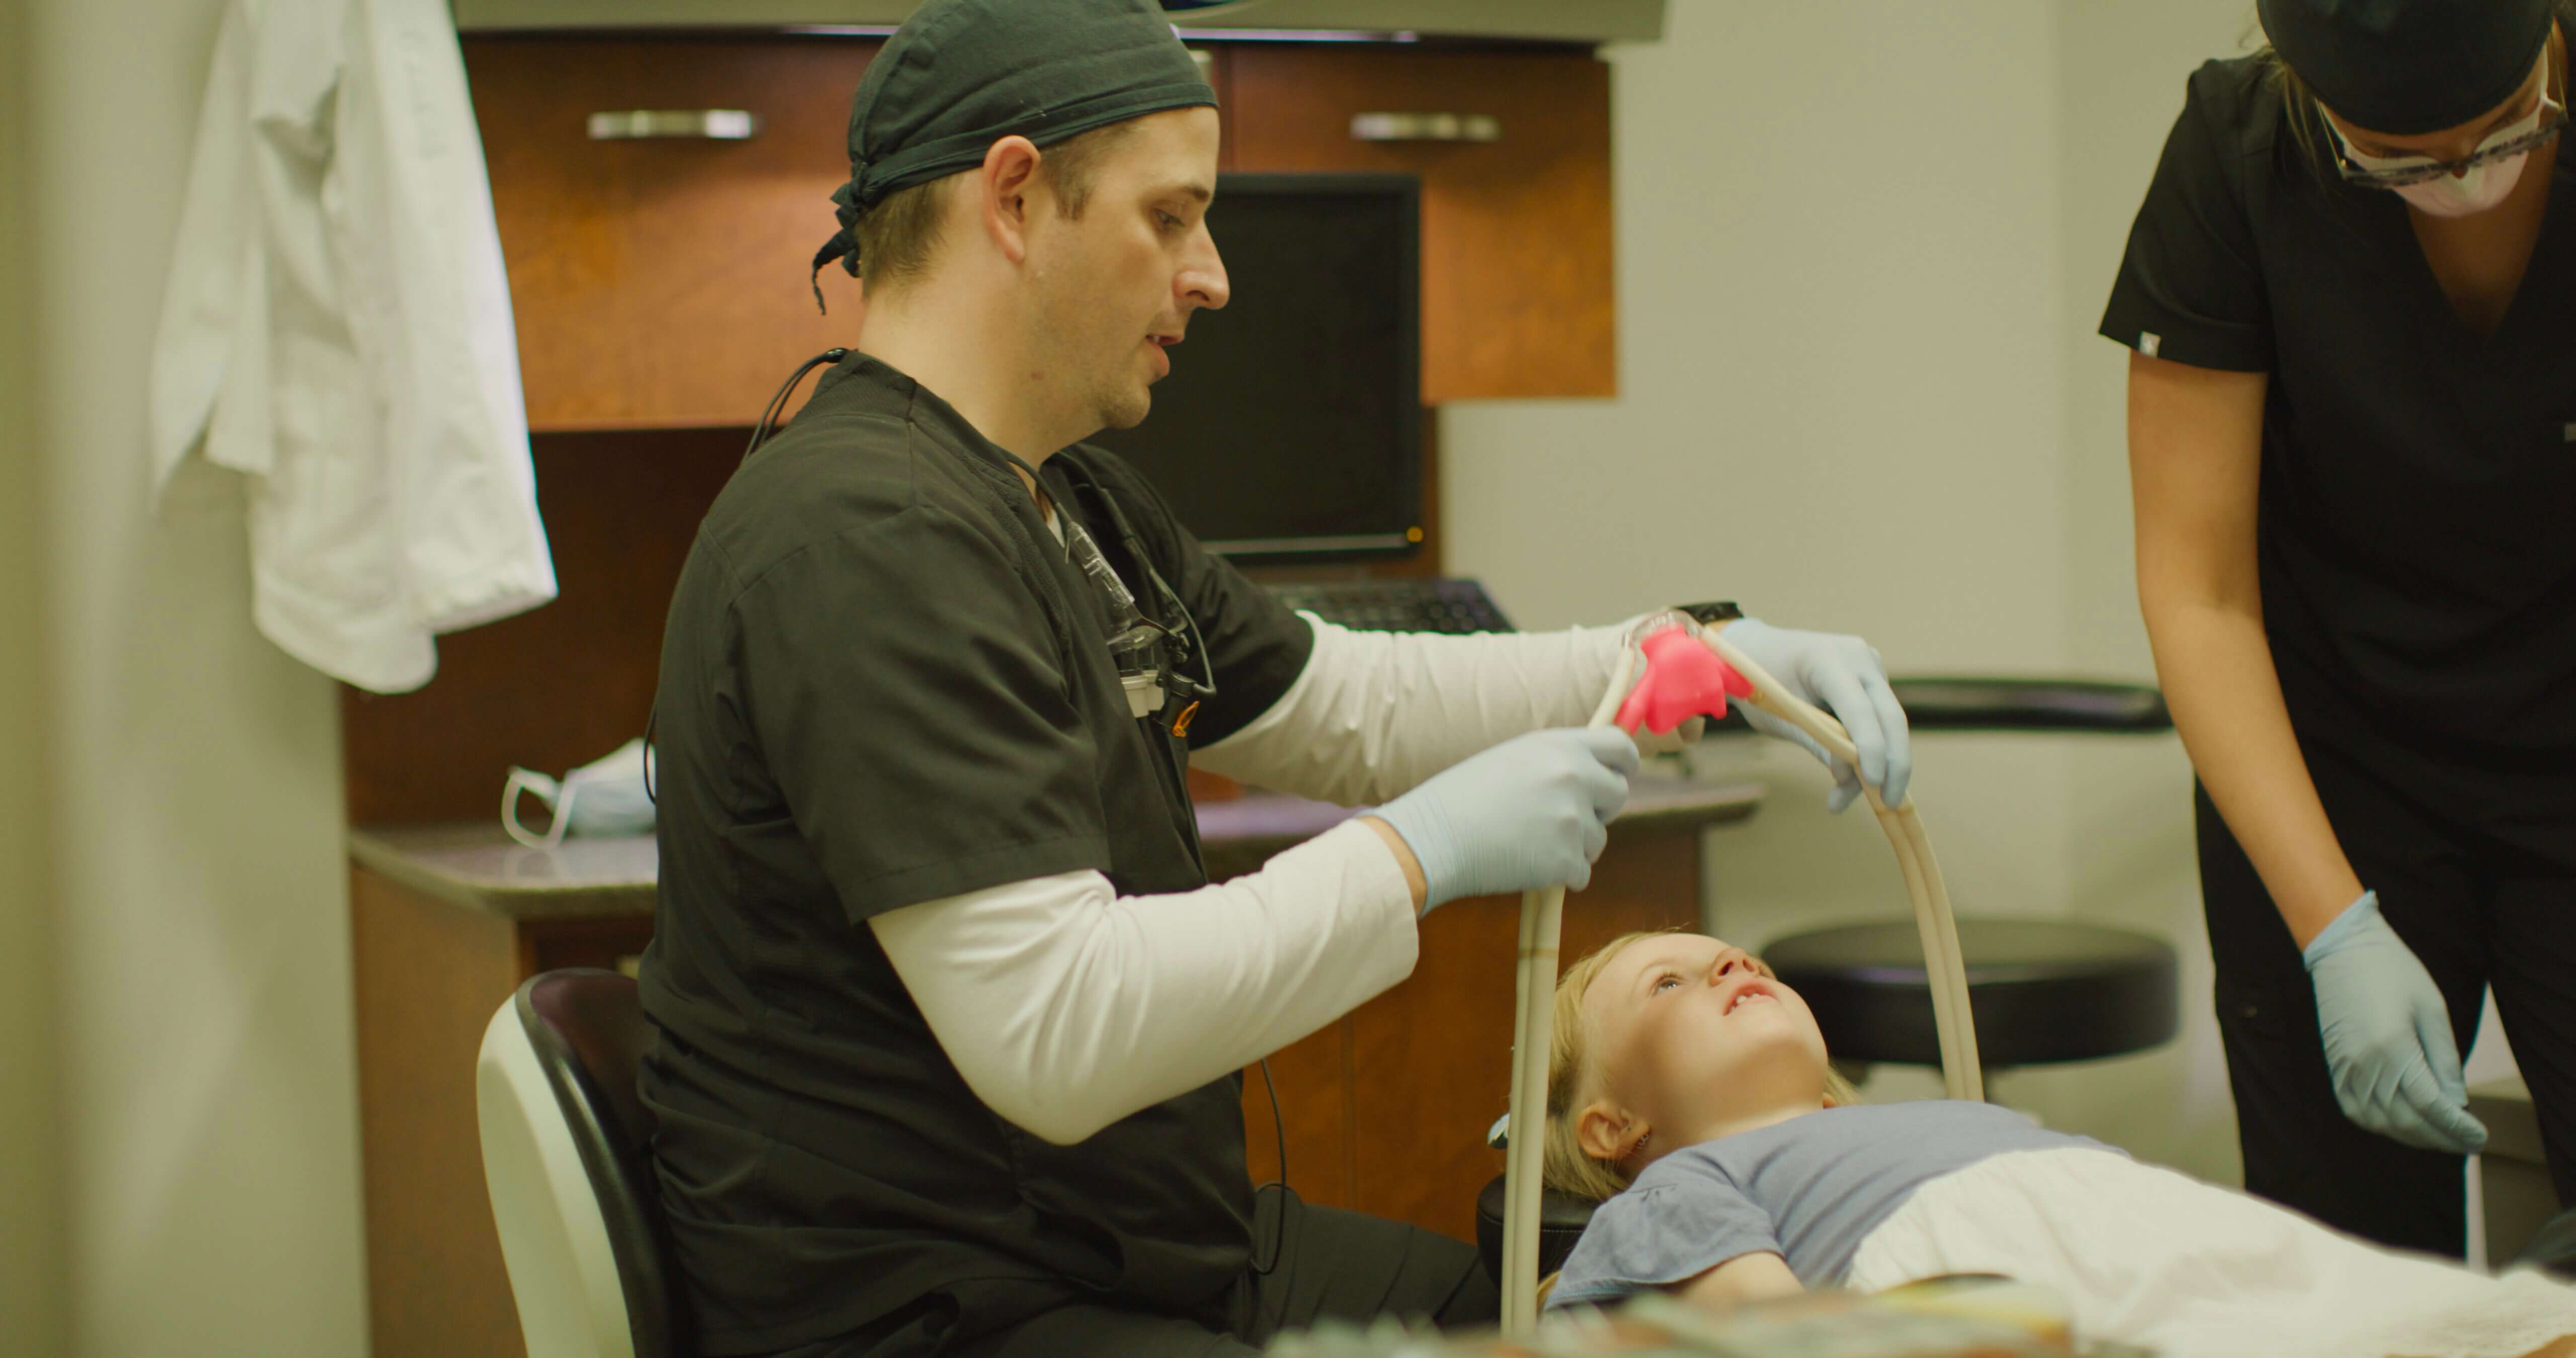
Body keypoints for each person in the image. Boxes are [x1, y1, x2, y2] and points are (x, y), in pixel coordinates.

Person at [634, 3, 1918, 1355]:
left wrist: (1686, 662)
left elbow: (1344, 702)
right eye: (1172, 217)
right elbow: (1055, 1029)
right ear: (1015, 196)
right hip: (947, 1305)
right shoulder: (867, 537)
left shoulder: (1067, 504)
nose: (1213, 275)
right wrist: (1417, 856)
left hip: (1132, 1243)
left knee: (1573, 1309)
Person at [2101, 0, 2576, 1256]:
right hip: (2332, 759)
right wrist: (2335, 929)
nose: (2460, 185)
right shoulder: (2236, 151)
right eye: (2399, 161)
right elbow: (2197, 589)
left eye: (2504, 134)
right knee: (2347, 1267)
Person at [1536, 930, 2576, 1357]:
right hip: (1977, 1268)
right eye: (1668, 984)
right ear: (1613, 1126)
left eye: (1732, 958)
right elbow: (1790, 1335)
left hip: (2155, 1220)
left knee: (2437, 1320)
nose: (1727, 965)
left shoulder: (1932, 1118)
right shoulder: (1678, 1191)